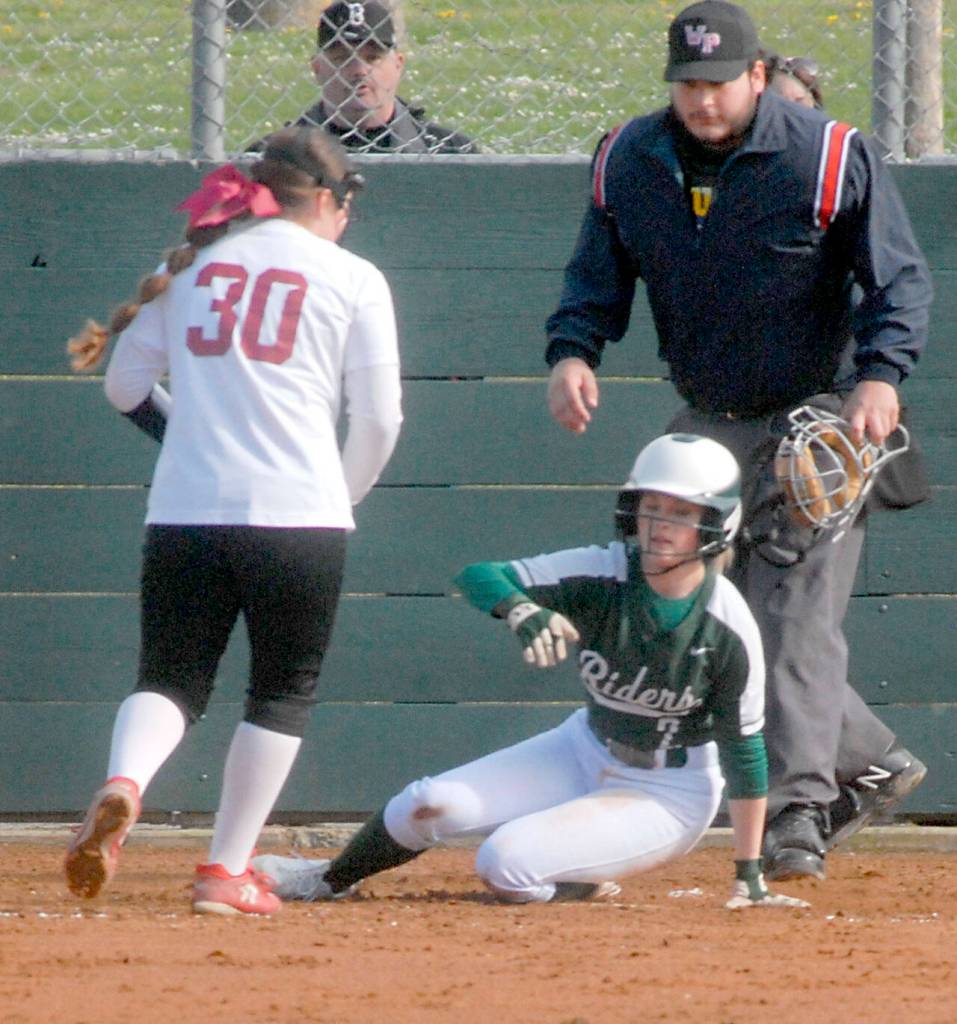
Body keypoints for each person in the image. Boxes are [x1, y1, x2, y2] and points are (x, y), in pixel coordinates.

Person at [543, 0, 932, 882]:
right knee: (689, 600)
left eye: (719, 83)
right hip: (709, 413)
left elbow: (898, 280)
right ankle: (868, 758)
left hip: (814, 422)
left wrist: (879, 376)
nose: (703, 101)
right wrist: (573, 350)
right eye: (687, 84)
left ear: (756, 76)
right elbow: (595, 269)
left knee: (792, 620)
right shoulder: (630, 159)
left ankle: (798, 811)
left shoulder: (827, 154)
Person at [63, 126, 403, 916]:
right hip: (301, 517)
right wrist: (338, 494)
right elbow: (380, 420)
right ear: (323, 199)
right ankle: (223, 871)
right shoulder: (352, 276)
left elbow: (123, 385)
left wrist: (186, 434)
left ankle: (125, 782)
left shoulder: (188, 268)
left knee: (171, 680)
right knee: (281, 693)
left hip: (186, 511)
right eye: (345, 200)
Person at [253, 434, 808, 912]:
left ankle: (575, 885)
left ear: (714, 524)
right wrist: (523, 610)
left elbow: (744, 749)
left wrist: (749, 874)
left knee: (506, 863)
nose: (660, 526)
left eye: (682, 513)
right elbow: (479, 576)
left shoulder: (725, 623)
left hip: (669, 790)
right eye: (651, 507)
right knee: (426, 803)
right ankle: (327, 878)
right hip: (584, 747)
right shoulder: (603, 569)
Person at [247, 1, 477, 155]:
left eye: (373, 57)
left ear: (398, 65)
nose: (358, 70)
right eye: (342, 58)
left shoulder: (449, 151)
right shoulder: (271, 157)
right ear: (317, 68)